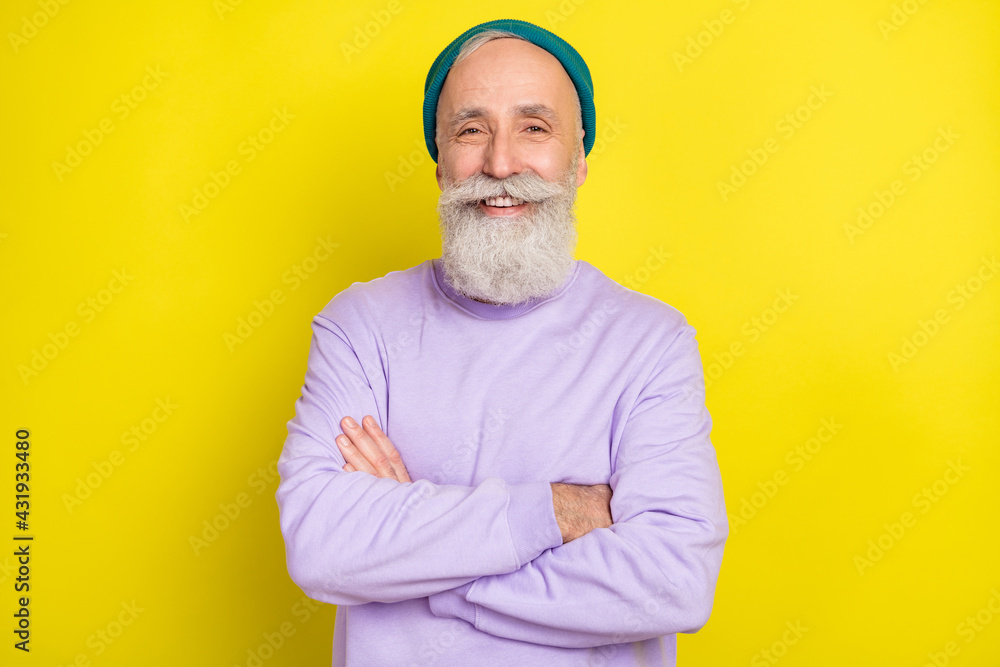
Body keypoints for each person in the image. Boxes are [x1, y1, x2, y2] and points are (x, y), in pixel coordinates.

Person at [275, 18, 728, 666]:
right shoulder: (359, 326)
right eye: (471, 130)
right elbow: (322, 545)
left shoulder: (650, 343)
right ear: (440, 164)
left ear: (578, 162)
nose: (501, 163)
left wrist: (423, 564)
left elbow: (673, 580)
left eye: (534, 128)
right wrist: (555, 511)